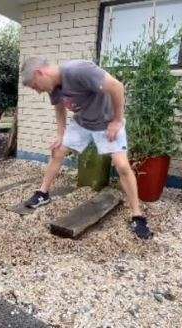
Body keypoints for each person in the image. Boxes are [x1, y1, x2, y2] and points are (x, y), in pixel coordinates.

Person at [20, 57, 153, 240]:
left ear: (40, 73)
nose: (37, 91)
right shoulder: (54, 87)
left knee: (121, 165)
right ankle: (43, 193)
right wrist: (60, 135)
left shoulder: (77, 71)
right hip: (82, 122)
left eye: (35, 86)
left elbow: (117, 87)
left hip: (108, 122)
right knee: (58, 151)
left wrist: (117, 120)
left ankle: (138, 216)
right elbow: (60, 109)